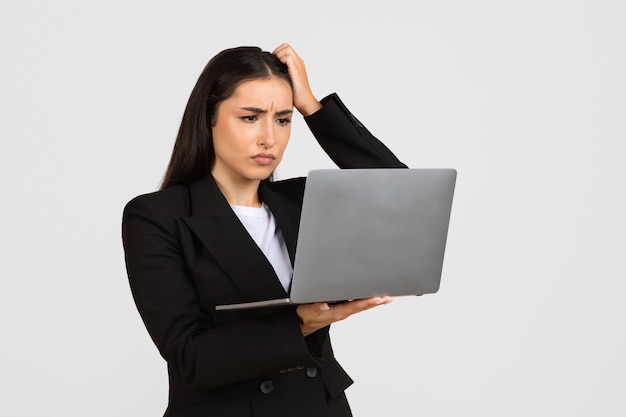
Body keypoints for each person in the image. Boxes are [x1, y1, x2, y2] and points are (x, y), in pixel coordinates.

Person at [122, 43, 407, 417]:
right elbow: (190, 357)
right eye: (250, 117)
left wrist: (313, 107)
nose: (269, 139)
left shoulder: (303, 202)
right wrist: (301, 324)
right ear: (209, 118)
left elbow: (400, 195)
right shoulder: (157, 216)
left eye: (283, 119)